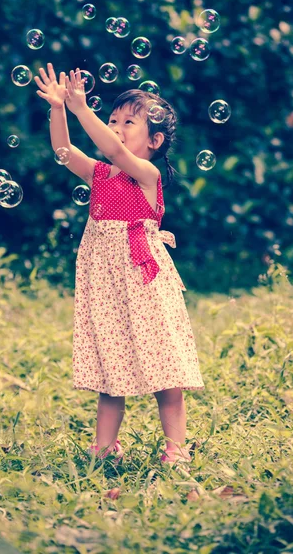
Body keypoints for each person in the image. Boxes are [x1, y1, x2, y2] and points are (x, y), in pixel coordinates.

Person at [35, 63, 204, 467]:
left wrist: (82, 111)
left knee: (166, 372)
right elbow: (64, 153)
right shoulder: (101, 176)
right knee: (111, 371)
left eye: (128, 121)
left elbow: (113, 148)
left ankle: (176, 450)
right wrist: (60, 108)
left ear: (155, 140)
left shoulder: (146, 174)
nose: (115, 127)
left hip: (143, 283)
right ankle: (104, 447)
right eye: (112, 119)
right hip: (106, 284)